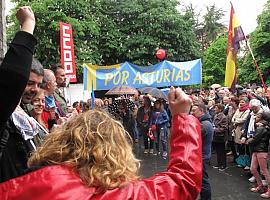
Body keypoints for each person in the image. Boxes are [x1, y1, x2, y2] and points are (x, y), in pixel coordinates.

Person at [0, 87, 202, 200]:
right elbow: (184, 180)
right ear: (118, 149)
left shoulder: (27, 187)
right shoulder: (125, 195)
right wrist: (182, 116)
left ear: (61, 141)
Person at [0, 6, 37, 183]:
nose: (35, 90)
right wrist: (28, 25)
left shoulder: (21, 110)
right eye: (29, 83)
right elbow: (10, 83)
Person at [192, 103, 213, 200]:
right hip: (203, 155)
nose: (192, 112)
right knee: (202, 180)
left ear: (201, 111)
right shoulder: (205, 122)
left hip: (202, 156)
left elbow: (192, 137)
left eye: (194, 110)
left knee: (203, 181)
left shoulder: (204, 125)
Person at [247, 112, 270, 198]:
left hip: (261, 151)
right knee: (253, 169)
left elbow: (255, 139)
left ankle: (268, 190)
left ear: (262, 118)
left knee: (264, 171)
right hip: (257, 150)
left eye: (257, 116)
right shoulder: (262, 127)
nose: (255, 117)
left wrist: (248, 141)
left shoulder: (262, 128)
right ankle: (260, 185)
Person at [212, 103, 228, 171]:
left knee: (222, 151)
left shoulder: (223, 117)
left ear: (220, 109)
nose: (214, 109)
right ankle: (219, 164)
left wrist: (215, 129)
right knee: (218, 151)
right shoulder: (216, 115)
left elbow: (224, 128)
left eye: (216, 108)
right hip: (216, 136)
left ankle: (223, 165)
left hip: (221, 136)